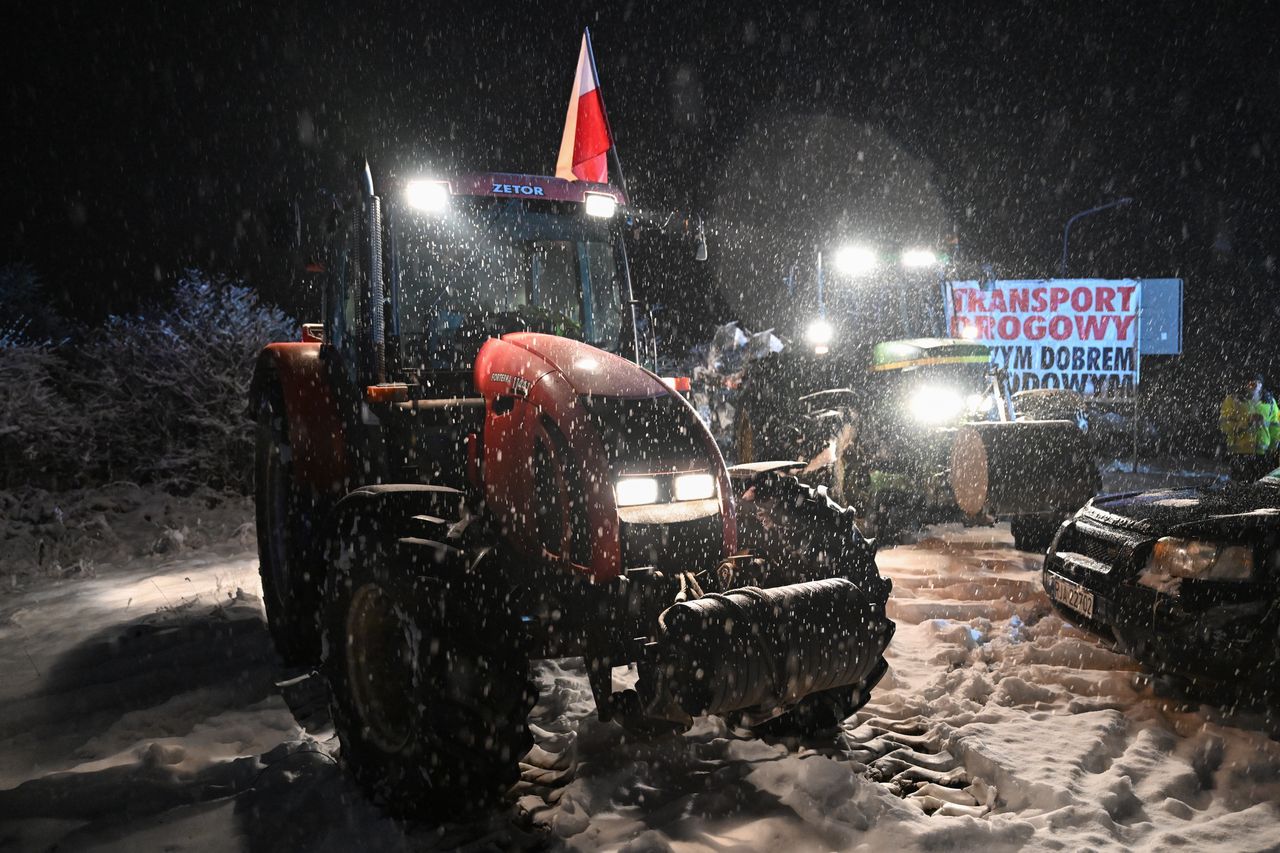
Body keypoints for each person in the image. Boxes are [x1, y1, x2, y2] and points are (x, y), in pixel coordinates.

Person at [1219, 374, 1272, 481]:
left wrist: (1274, 447)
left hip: (1262, 454)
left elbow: (1276, 426)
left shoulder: (1270, 402)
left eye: (1259, 383)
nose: (1255, 386)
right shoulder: (1232, 400)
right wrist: (1247, 422)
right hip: (1240, 453)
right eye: (1252, 383)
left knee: (1261, 484)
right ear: (1244, 384)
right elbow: (1224, 425)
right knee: (1241, 483)